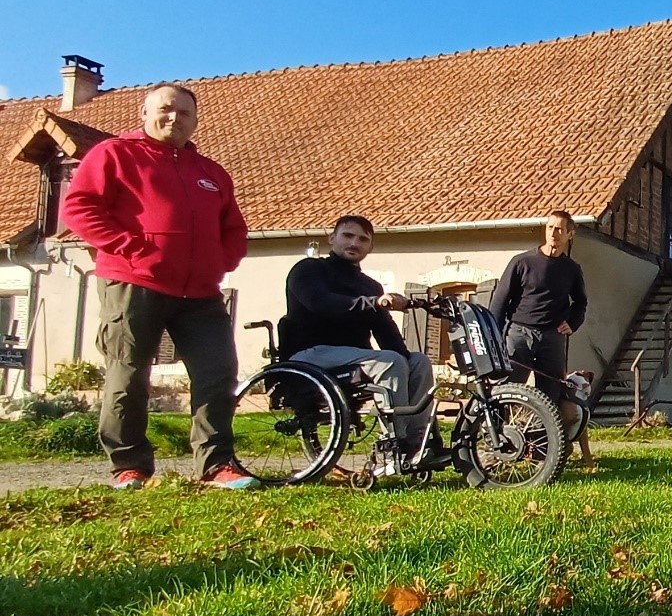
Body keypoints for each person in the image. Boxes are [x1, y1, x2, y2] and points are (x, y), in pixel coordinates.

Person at [60, 83, 255, 490]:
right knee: (129, 375)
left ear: (195, 121)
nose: (174, 118)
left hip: (200, 293)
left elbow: (234, 229)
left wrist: (219, 263)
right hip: (134, 283)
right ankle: (129, 466)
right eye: (166, 110)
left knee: (218, 374)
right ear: (145, 113)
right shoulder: (114, 154)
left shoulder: (211, 173)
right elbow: (79, 207)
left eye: (185, 113)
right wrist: (130, 247)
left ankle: (217, 465)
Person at [279, 215, 444, 468]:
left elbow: (384, 331)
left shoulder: (370, 285)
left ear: (371, 248)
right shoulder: (309, 269)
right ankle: (394, 445)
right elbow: (321, 303)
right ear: (332, 239)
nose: (354, 243)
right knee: (389, 362)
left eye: (363, 239)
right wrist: (375, 302)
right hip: (309, 354)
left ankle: (417, 443)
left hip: (353, 358)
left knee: (418, 361)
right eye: (347, 236)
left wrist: (407, 357)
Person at [488, 210, 588, 404]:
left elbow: (580, 303)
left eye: (559, 229)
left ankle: (541, 434)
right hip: (519, 334)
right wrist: (494, 338)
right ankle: (498, 432)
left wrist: (572, 323)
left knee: (550, 395)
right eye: (550, 227)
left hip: (552, 337)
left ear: (570, 234)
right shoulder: (522, 262)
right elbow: (500, 301)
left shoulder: (572, 269)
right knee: (508, 390)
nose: (553, 233)